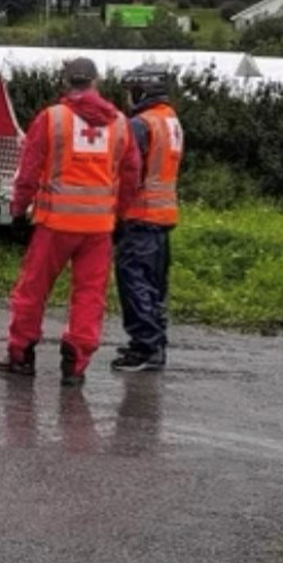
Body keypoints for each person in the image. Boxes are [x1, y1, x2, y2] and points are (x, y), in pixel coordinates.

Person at [0, 57, 140, 386]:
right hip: (99, 229)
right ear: (96, 82)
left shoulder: (51, 119)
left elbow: (28, 171)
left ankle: (21, 357)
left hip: (55, 224)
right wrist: (121, 216)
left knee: (32, 291)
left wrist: (19, 210)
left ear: (65, 82)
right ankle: (75, 367)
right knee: (89, 296)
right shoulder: (120, 124)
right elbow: (131, 176)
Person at [110, 65, 183, 372]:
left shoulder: (141, 124)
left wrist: (115, 212)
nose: (128, 97)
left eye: (131, 91)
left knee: (134, 282)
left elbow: (128, 172)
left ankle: (145, 347)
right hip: (164, 215)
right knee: (154, 285)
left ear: (142, 91)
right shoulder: (170, 120)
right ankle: (155, 342)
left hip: (140, 215)